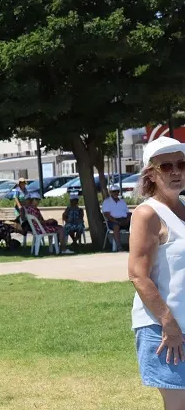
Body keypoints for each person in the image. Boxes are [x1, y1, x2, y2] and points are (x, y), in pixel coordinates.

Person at [129, 136, 185, 407]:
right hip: (165, 329)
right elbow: (138, 275)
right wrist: (169, 323)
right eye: (166, 167)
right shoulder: (148, 214)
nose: (176, 171)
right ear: (150, 173)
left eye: (182, 164)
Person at [103, 184, 131, 252]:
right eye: (114, 191)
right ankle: (119, 247)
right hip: (112, 221)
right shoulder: (107, 201)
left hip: (124, 220)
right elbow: (107, 215)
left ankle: (134, 246)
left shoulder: (122, 201)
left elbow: (128, 213)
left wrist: (127, 221)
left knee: (136, 225)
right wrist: (117, 221)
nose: (116, 193)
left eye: (117, 191)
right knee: (116, 226)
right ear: (110, 192)